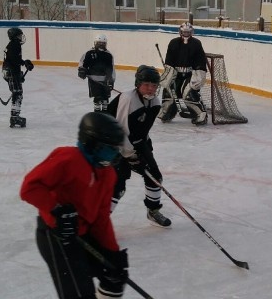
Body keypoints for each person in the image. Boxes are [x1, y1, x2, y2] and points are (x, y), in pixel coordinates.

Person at [19, 112, 131, 299]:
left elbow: (102, 217)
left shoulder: (107, 172)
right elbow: (30, 187)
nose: (112, 155)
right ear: (91, 143)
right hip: (57, 237)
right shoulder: (68, 159)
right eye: (108, 148)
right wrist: (55, 208)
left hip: (85, 232)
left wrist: (112, 254)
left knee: (116, 270)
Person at [110, 65, 171, 227]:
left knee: (154, 177)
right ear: (138, 84)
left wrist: (145, 150)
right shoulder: (128, 99)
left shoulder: (155, 103)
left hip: (137, 144)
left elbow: (142, 129)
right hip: (112, 146)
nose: (151, 89)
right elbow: (120, 131)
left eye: (154, 85)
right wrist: (130, 156)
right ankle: (99, 221)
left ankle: (153, 211)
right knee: (116, 185)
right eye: (147, 85)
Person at [160, 22, 208, 125]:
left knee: (189, 94)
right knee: (169, 90)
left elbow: (200, 61)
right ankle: (167, 112)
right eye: (184, 32)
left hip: (190, 75)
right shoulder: (173, 43)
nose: (186, 34)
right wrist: (168, 73)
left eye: (188, 32)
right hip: (176, 74)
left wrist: (200, 73)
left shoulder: (196, 43)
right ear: (180, 32)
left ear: (192, 32)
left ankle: (201, 114)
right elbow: (169, 61)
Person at [2, 27, 34, 128]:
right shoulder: (15, 45)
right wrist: (23, 66)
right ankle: (14, 117)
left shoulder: (11, 45)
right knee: (17, 93)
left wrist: (23, 64)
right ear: (15, 36)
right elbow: (15, 60)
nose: (21, 37)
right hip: (11, 72)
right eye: (19, 35)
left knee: (17, 93)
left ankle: (14, 116)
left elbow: (14, 59)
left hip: (9, 72)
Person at [77, 34, 115, 112]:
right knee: (97, 98)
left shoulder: (109, 55)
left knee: (105, 99)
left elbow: (112, 69)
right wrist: (82, 70)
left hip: (105, 81)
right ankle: (97, 114)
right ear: (95, 43)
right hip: (93, 81)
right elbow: (82, 62)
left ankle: (105, 114)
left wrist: (111, 81)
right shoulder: (89, 53)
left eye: (103, 43)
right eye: (99, 43)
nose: (101, 45)